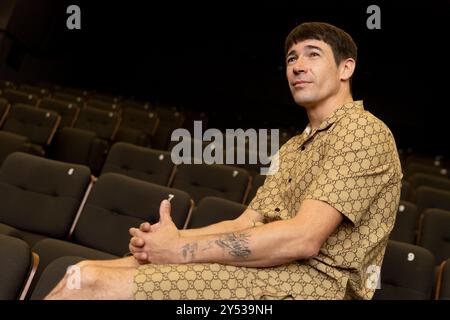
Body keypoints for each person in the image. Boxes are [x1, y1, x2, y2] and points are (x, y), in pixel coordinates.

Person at [45, 22, 402, 300]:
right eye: (291, 58)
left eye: (312, 54)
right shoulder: (294, 147)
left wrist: (182, 250)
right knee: (81, 271)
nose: (297, 66)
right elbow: (247, 221)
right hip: (274, 272)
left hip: (314, 286)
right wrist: (171, 239)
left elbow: (303, 239)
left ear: (346, 68)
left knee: (88, 283)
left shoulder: (363, 131)